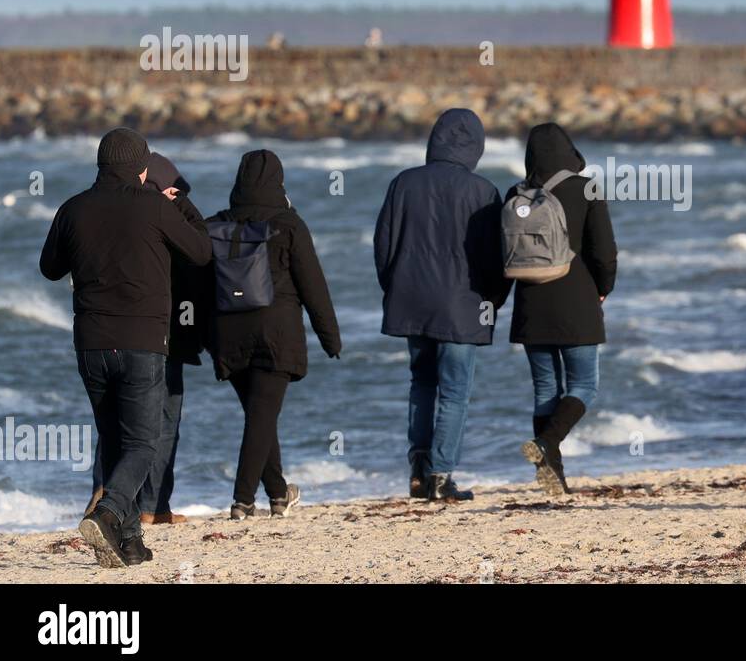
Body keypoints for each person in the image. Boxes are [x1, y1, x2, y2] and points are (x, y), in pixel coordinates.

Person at [40, 128, 211, 568]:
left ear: (100, 165)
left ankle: (130, 542)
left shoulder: (73, 208)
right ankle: (109, 510)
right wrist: (181, 205)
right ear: (141, 168)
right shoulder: (155, 205)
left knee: (115, 439)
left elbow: (49, 268)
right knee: (144, 443)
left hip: (92, 344)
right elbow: (200, 250)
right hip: (142, 341)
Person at [374, 108, 509, 502]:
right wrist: (492, 303)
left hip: (411, 300)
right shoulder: (483, 191)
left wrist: (394, 289)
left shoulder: (403, 183)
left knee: (421, 383)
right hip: (462, 306)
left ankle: (418, 469)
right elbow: (496, 259)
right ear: (477, 146)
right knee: (454, 391)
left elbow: (384, 246)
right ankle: (440, 476)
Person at [206, 150, 341, 519]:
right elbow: (313, 285)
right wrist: (330, 337)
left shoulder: (214, 225)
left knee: (259, 414)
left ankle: (279, 493)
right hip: (275, 332)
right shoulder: (289, 224)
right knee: (261, 416)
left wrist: (202, 336)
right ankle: (242, 500)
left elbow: (198, 286)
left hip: (227, 335)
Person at [88, 152, 209, 526]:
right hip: (154, 335)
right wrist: (177, 210)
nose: (179, 195)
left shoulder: (134, 215)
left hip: (135, 334)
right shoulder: (155, 218)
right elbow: (201, 251)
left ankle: (129, 503)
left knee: (128, 423)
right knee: (154, 426)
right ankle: (136, 505)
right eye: (173, 189)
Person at [509, 124, 617, 495]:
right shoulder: (586, 188)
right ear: (571, 152)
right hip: (578, 302)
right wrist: (603, 290)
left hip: (529, 303)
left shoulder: (516, 194)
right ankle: (546, 445)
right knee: (585, 385)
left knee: (545, 389)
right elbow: (604, 252)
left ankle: (553, 474)